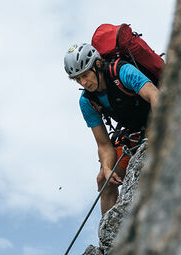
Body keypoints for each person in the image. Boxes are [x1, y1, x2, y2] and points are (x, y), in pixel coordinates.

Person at [64, 42, 160, 214]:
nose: (84, 82)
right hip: (135, 134)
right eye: (78, 79)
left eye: (85, 75)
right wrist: (108, 168)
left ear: (98, 64)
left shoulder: (122, 71)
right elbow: (103, 145)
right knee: (104, 179)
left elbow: (154, 95)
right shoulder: (87, 101)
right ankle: (108, 238)